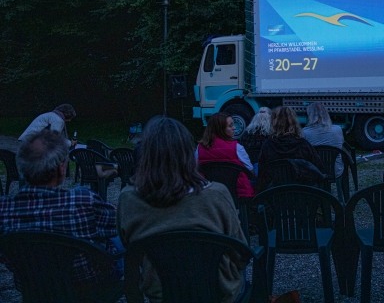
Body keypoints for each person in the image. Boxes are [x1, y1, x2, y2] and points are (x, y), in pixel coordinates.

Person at [117, 116, 247, 303]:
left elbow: (131, 253)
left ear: (145, 154)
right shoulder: (217, 195)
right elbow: (240, 254)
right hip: (218, 293)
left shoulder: (128, 199)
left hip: (162, 295)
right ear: (188, 152)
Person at [0, 129, 123, 302]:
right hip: (89, 289)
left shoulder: (4, 209)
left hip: (33, 288)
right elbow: (117, 224)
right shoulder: (82, 201)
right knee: (118, 238)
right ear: (61, 168)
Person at [197, 112, 255, 198]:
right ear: (220, 129)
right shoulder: (237, 148)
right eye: (230, 125)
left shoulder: (199, 148)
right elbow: (251, 173)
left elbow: (195, 170)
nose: (234, 128)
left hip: (209, 195)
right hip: (237, 195)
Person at [258, 106, 324, 172]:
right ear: (294, 122)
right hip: (300, 182)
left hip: (276, 181)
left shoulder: (267, 146)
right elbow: (318, 168)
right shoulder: (304, 145)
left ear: (274, 123)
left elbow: (262, 171)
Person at [302, 102, 345, 177]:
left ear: (309, 115)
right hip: (335, 171)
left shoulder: (304, 133)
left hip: (315, 171)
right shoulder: (338, 129)